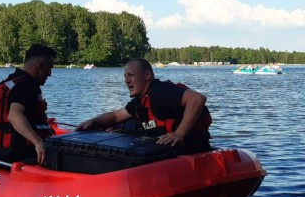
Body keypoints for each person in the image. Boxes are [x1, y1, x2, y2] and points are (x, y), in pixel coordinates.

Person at [76, 57, 212, 153]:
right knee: (121, 125)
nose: (126, 81)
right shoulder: (140, 101)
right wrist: (92, 122)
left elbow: (197, 99)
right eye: (125, 76)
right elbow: (115, 116)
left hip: (191, 149)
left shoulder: (160, 91)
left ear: (147, 75)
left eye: (131, 75)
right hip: (164, 147)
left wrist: (178, 134)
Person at [0, 44, 56, 164]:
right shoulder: (27, 86)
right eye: (49, 68)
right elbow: (14, 114)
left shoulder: (13, 79)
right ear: (41, 66)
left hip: (1, 150)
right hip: (18, 154)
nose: (50, 74)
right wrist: (38, 142)